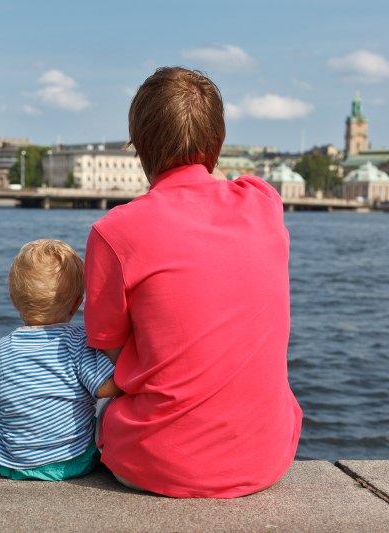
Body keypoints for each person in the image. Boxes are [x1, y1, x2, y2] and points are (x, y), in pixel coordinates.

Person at [84, 67, 303, 498]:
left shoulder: (116, 232)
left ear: (139, 146)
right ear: (218, 144)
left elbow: (107, 344)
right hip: (268, 458)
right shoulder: (264, 203)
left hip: (156, 463)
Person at [0, 239, 120, 481]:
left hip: (15, 463)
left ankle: (17, 450)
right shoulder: (79, 341)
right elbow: (106, 388)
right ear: (78, 303)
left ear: (13, 299)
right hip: (77, 462)